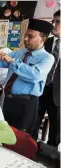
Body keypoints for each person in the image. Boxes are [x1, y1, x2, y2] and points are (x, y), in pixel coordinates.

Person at [0, 19, 54, 139]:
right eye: (26, 35)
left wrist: (13, 61)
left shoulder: (47, 58)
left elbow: (34, 75)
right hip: (9, 100)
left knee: (20, 138)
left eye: (30, 36)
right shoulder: (20, 52)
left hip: (26, 103)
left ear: (43, 39)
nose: (25, 39)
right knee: (5, 133)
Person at [35, 10, 60, 146]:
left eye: (58, 22)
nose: (54, 24)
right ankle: (30, 151)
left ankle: (50, 157)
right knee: (33, 123)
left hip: (58, 94)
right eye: (53, 21)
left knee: (56, 131)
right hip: (39, 88)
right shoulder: (44, 42)